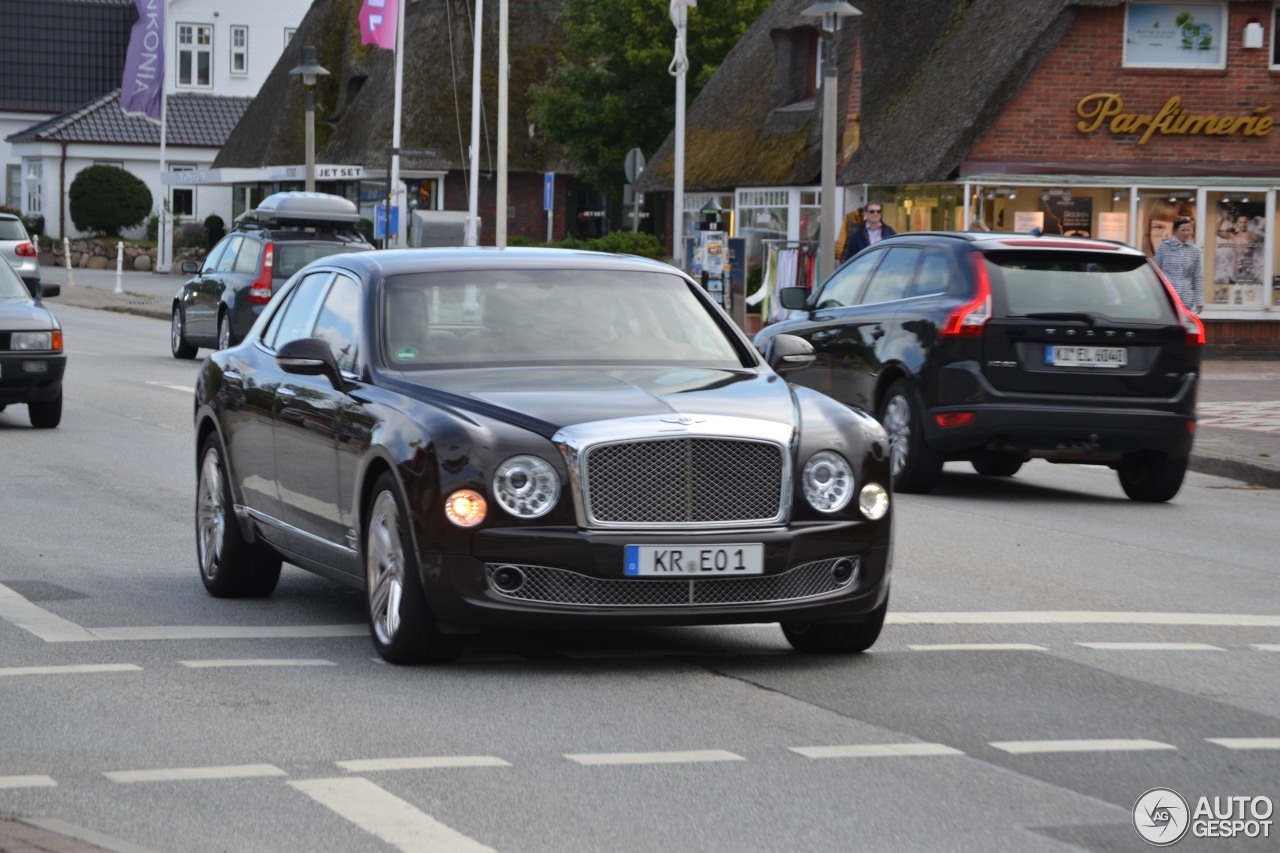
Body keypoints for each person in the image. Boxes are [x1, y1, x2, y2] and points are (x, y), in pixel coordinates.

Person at [1153, 215, 1204, 314]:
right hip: (1167, 299)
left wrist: (1200, 301)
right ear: (1175, 231)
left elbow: (1197, 276)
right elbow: (1155, 271)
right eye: (1183, 230)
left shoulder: (1194, 250)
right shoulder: (1164, 247)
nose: (1186, 233)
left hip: (1186, 300)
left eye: (1188, 230)